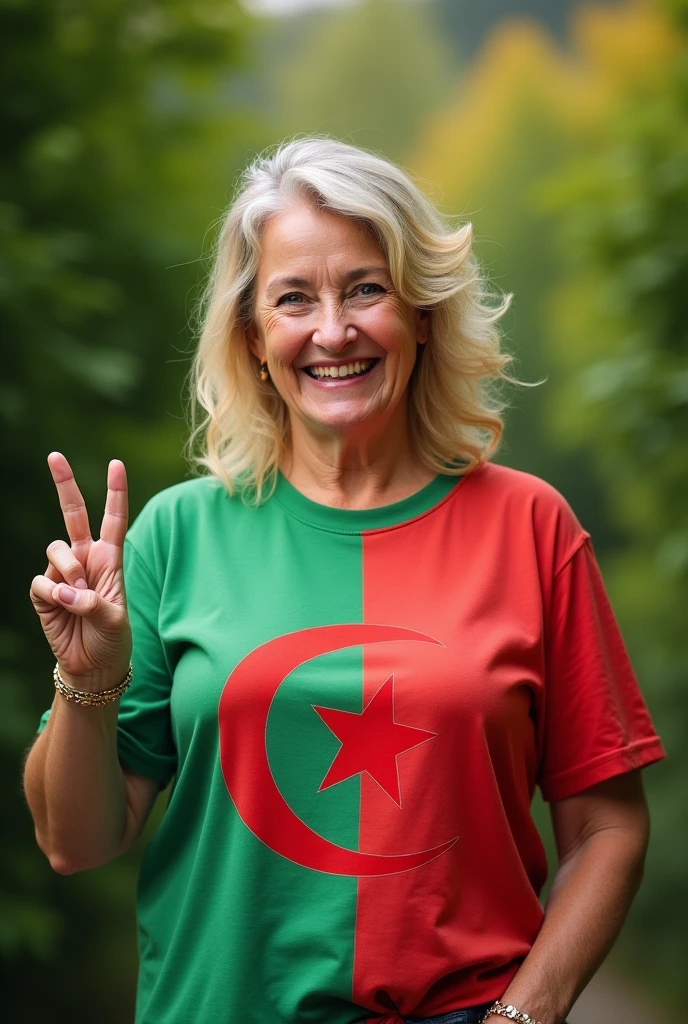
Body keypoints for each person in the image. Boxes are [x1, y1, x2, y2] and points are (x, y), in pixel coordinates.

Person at [24, 138, 665, 1024]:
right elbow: (75, 842)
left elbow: (608, 828)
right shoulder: (174, 536)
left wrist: (529, 1013)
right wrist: (90, 684)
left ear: (424, 313)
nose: (333, 330)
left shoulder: (531, 526)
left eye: (366, 288)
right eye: (295, 299)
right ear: (253, 337)